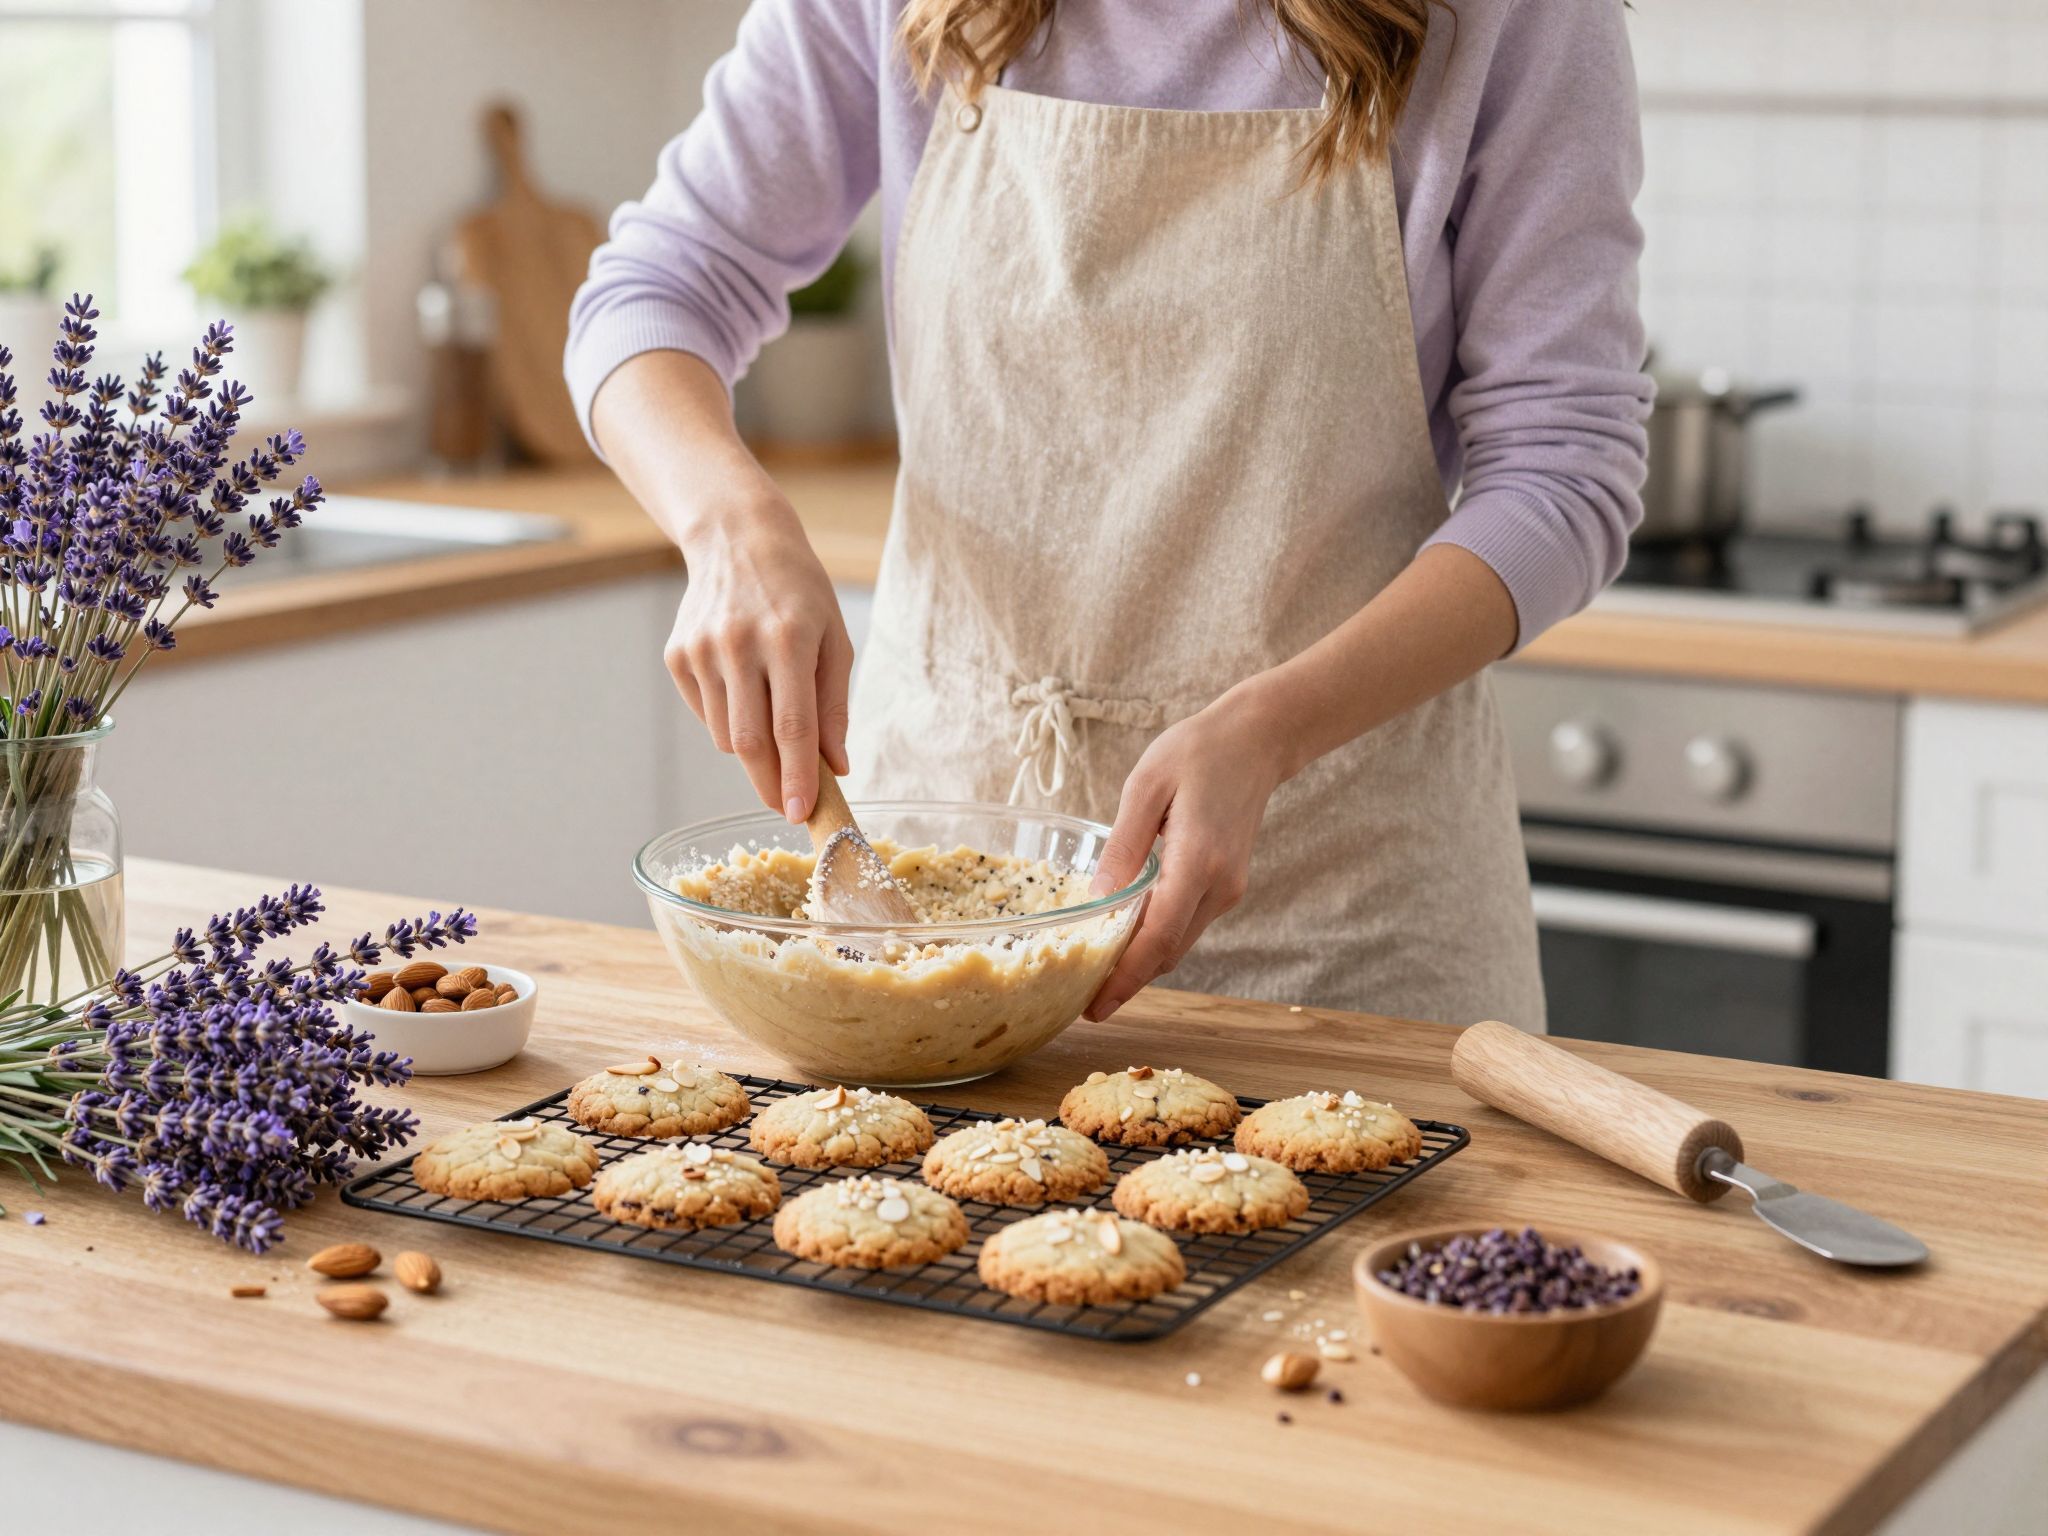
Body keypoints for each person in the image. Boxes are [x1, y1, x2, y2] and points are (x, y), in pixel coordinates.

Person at [566, 0, 1651, 1031]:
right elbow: (656, 289)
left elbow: (1563, 470)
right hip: (934, 916)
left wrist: (1271, 729)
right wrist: (729, 527)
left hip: (1345, 915)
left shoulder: (1513, 19)